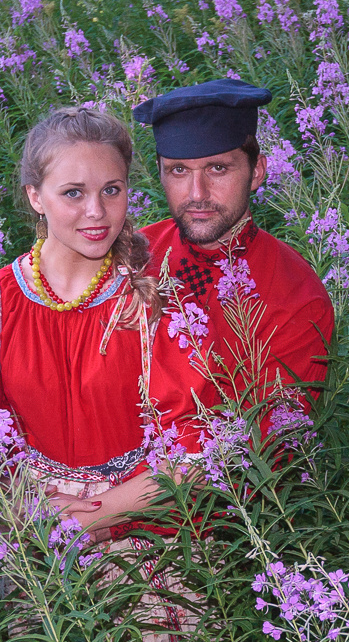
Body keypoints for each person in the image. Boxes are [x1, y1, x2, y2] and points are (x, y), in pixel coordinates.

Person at [0, 105, 201, 535]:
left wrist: (92, 516)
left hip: (148, 531)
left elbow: (194, 453)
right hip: (35, 535)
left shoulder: (155, 299)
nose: (96, 211)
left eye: (112, 190)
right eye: (73, 193)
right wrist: (22, 512)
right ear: (36, 196)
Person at [132, 79, 334, 429]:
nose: (197, 193)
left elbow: (269, 442)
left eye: (218, 168)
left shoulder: (298, 299)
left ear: (257, 172)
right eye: (179, 170)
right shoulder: (134, 256)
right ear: (161, 174)